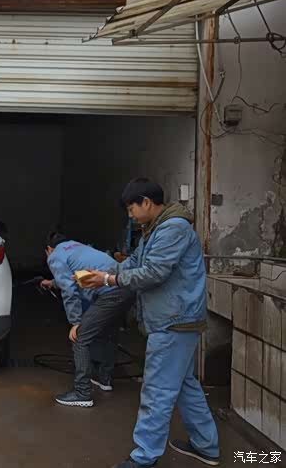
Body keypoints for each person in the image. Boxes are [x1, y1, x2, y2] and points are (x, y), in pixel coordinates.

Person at [79, 178, 219, 468]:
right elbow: (133, 264)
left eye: (131, 209)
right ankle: (206, 445)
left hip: (173, 321)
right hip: (175, 319)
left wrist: (109, 279)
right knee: (184, 386)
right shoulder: (154, 230)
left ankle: (144, 457)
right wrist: (101, 274)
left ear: (146, 202)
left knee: (157, 391)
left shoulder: (173, 229)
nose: (130, 215)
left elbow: (154, 273)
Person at [42, 232, 135, 408]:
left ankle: (82, 392)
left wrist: (76, 322)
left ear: (49, 249)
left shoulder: (55, 256)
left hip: (110, 294)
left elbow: (69, 290)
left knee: (80, 337)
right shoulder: (78, 247)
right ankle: (104, 379)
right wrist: (53, 283)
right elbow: (79, 274)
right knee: (108, 333)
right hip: (126, 288)